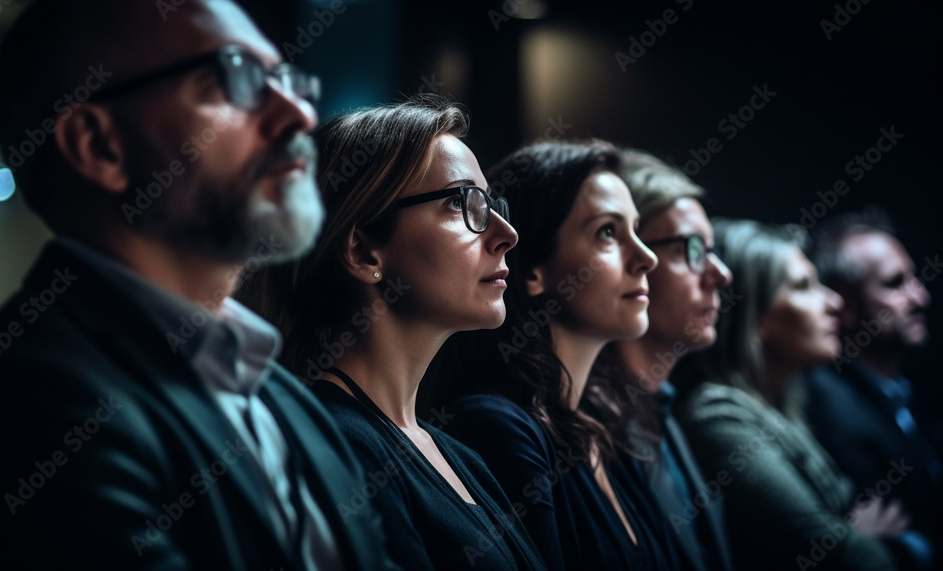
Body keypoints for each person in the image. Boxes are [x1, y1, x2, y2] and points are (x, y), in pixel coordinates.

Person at [0, 1, 394, 569]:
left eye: (283, 80)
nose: (297, 114)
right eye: (235, 77)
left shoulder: (287, 398)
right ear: (100, 146)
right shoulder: (26, 397)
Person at [238, 95, 545, 571]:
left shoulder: (459, 456)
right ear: (363, 252)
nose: (506, 233)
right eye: (462, 202)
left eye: (491, 204)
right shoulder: (336, 447)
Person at [424, 139, 684, 570]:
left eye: (637, 230)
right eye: (607, 232)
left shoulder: (601, 421)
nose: (647, 258)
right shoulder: (496, 426)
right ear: (534, 270)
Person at [674, 218, 912, 571]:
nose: (833, 302)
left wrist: (848, 534)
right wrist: (852, 537)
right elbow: (844, 560)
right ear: (755, 314)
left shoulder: (782, 405)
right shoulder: (717, 416)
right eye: (804, 286)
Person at [589, 148, 736, 571]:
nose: (720, 273)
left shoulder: (661, 406)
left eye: (711, 249)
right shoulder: (586, 429)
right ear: (630, 256)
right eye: (690, 249)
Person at [806, 208, 940, 568]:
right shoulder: (831, 407)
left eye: (914, 279)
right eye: (895, 284)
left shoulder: (904, 390)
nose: (919, 297)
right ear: (844, 304)